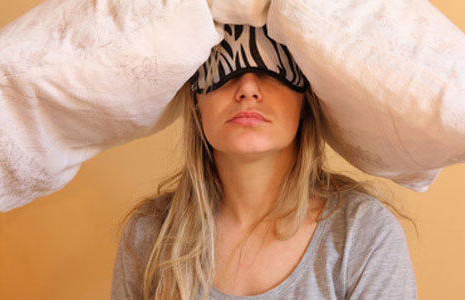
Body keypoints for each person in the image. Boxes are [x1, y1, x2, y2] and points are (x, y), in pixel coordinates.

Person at [110, 24, 417, 300]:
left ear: (305, 102)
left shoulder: (361, 235)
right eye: (221, 68)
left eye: (273, 68)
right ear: (197, 103)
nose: (247, 90)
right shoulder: (150, 234)